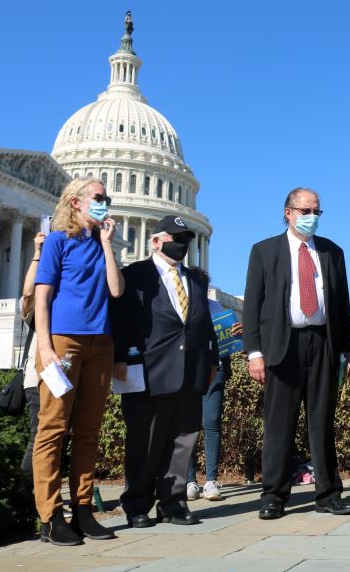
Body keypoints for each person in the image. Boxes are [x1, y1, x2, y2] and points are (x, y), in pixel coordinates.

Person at [244, 187, 350, 519]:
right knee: (280, 424)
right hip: (283, 344)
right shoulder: (264, 251)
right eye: (305, 211)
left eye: (316, 212)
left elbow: (342, 303)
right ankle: (274, 496)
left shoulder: (333, 252)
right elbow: (253, 306)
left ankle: (328, 493)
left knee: (322, 421)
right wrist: (254, 353)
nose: (311, 218)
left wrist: (345, 351)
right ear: (288, 212)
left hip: (323, 342)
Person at [112, 216, 219, 528]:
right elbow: (121, 319)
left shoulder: (197, 279)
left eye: (185, 237)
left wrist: (211, 360)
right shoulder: (134, 275)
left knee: (182, 440)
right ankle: (137, 504)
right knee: (145, 442)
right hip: (149, 370)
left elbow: (203, 324)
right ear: (156, 241)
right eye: (175, 237)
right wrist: (118, 356)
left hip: (191, 371)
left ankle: (173, 503)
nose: (181, 243)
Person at [33, 178, 123, 545]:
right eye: (99, 198)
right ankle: (50, 515)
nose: (104, 203)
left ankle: (83, 508)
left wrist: (107, 243)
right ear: (76, 202)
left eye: (107, 199)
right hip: (63, 340)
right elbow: (42, 298)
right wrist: (46, 348)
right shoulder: (57, 241)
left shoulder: (103, 245)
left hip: (100, 341)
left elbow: (116, 290)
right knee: (53, 428)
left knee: (88, 431)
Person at [186, 311, 239, 503]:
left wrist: (238, 333)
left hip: (214, 366)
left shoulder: (215, 307)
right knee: (188, 423)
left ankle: (211, 481)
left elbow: (227, 337)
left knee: (211, 421)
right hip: (186, 365)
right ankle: (190, 481)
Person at [20, 232, 46, 477]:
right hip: (37, 377)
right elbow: (28, 294)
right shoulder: (37, 304)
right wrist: (37, 254)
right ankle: (28, 495)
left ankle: (47, 495)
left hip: (58, 376)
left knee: (47, 438)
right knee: (39, 438)